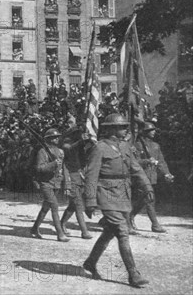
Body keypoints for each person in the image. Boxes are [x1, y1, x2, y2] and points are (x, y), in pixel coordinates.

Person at [82, 113, 153, 288]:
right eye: (121, 127)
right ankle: (133, 274)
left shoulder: (125, 146)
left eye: (125, 126)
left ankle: (90, 262)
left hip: (123, 193)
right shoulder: (100, 148)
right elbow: (91, 175)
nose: (125, 129)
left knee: (110, 232)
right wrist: (90, 200)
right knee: (122, 231)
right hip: (106, 193)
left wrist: (147, 187)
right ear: (111, 129)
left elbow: (135, 168)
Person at [131, 122, 174, 233]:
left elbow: (161, 162)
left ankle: (129, 217)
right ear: (145, 132)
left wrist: (166, 173)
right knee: (150, 199)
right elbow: (133, 162)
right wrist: (146, 161)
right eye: (151, 130)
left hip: (151, 177)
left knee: (142, 200)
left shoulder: (155, 146)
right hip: (140, 176)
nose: (154, 132)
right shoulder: (136, 145)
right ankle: (155, 225)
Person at [30, 128, 70, 242]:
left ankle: (34, 229)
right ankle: (60, 233)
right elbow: (39, 168)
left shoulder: (61, 151)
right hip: (45, 183)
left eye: (58, 137)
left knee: (46, 207)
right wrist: (53, 164)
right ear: (48, 139)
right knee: (54, 206)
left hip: (56, 182)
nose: (57, 139)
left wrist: (67, 185)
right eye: (54, 137)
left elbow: (64, 168)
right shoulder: (42, 152)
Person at [59, 127, 93, 239]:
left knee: (73, 205)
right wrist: (81, 141)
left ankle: (61, 223)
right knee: (78, 205)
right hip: (70, 177)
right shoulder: (67, 144)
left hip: (80, 177)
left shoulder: (81, 146)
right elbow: (69, 149)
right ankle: (84, 231)